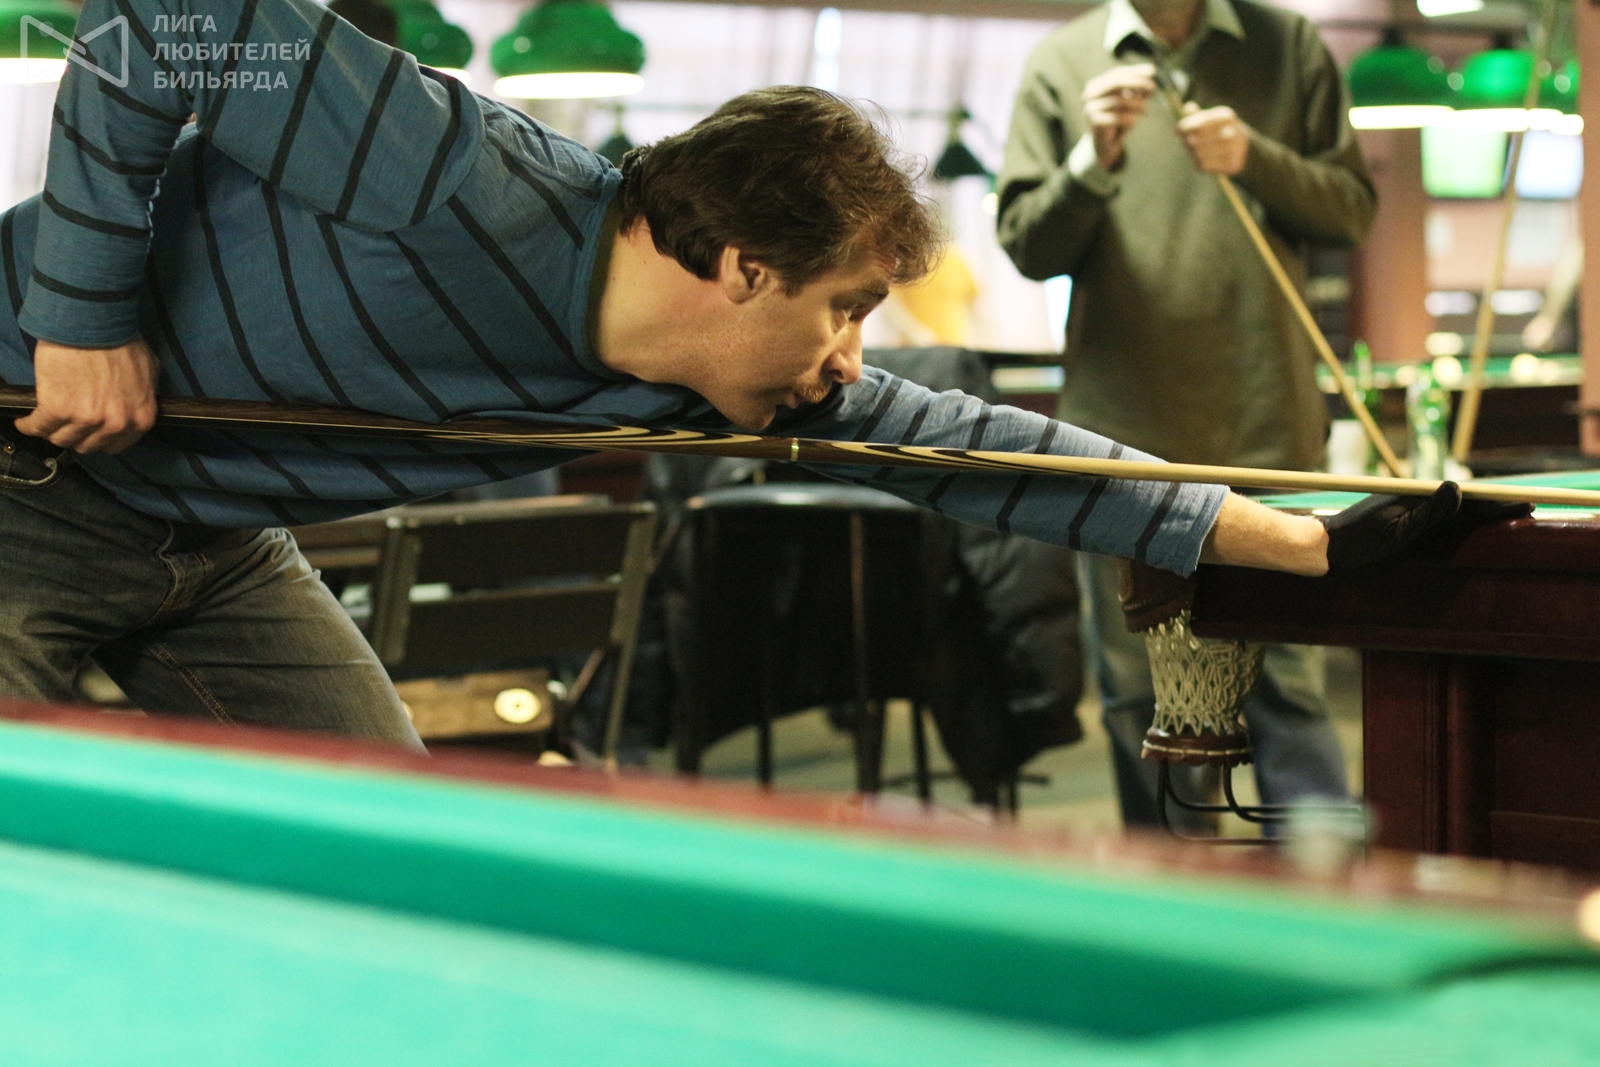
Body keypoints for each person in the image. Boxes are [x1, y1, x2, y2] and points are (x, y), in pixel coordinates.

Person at [2, 0, 1399, 752]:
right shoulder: (443, 173)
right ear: (743, 265)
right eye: (845, 309)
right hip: (23, 485)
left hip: (213, 543)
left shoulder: (707, 375)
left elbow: (981, 451)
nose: (852, 358)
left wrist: (1295, 539)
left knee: (386, 831)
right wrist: (81, 316)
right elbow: (148, 29)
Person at [996, 0, 1377, 825]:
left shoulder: (1289, 45)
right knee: (1140, 696)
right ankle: (1170, 885)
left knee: (1287, 684)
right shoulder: (1062, 61)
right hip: (1116, 438)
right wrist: (1090, 161)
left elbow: (1352, 211)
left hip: (1267, 425)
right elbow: (1027, 246)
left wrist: (1256, 159)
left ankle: (1327, 886)